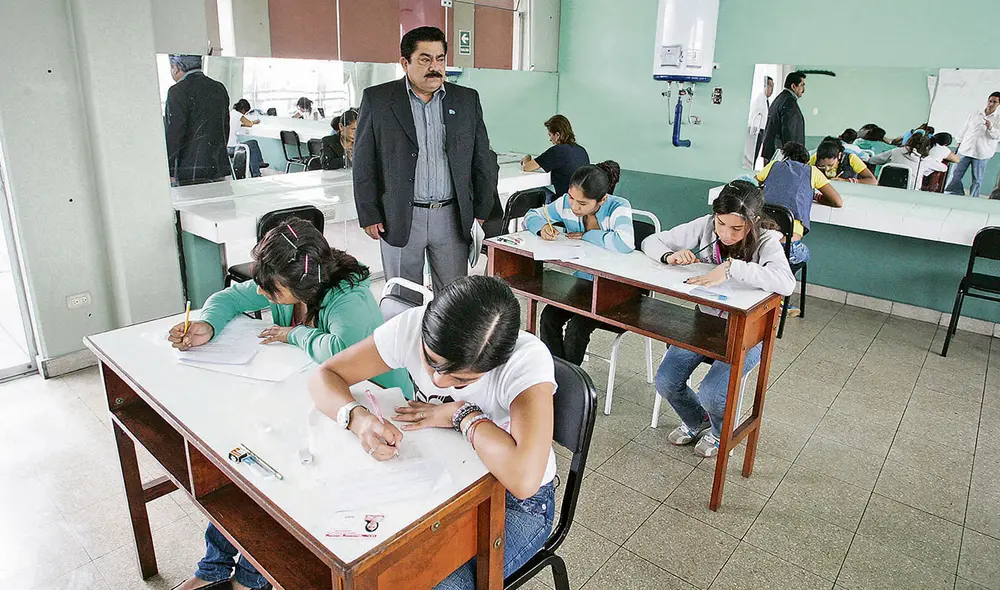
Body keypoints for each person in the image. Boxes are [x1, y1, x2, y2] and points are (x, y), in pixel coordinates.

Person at [172, 218, 411, 590]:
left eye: (273, 290)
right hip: (316, 396)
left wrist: (295, 333)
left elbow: (341, 353)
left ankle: (251, 580)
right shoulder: (288, 280)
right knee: (246, 464)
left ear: (301, 285)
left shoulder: (350, 298)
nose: (265, 295)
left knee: (273, 479)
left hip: (374, 406)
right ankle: (213, 570)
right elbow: (229, 298)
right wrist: (209, 324)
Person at [307, 275, 557, 590]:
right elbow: (325, 376)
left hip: (517, 504)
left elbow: (523, 479)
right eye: (431, 362)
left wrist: (460, 413)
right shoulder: (413, 327)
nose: (438, 382)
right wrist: (358, 419)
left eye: (460, 381)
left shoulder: (526, 361)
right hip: (443, 479)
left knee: (428, 582)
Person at [641, 181, 795, 457]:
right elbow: (650, 241)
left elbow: (786, 282)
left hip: (747, 331)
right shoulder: (704, 226)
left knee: (712, 392)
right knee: (666, 381)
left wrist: (732, 267)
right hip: (705, 322)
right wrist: (670, 255)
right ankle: (696, 420)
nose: (725, 234)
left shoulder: (768, 240)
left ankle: (718, 431)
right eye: (720, 224)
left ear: (754, 221)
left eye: (736, 228)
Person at [354, 26, 498, 300]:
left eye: (440, 58)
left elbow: (482, 158)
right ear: (405, 63)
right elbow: (363, 161)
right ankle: (407, 343)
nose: (435, 67)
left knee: (454, 298)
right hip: (398, 214)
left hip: (452, 216)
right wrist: (369, 213)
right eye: (425, 59)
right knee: (402, 297)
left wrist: (481, 208)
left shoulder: (466, 100)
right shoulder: (379, 99)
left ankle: (447, 344)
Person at [523, 164, 634, 365]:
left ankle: (572, 384)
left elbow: (625, 243)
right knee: (549, 318)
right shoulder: (566, 203)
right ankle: (555, 374)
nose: (574, 207)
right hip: (583, 282)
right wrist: (542, 228)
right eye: (572, 198)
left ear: (602, 200)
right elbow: (531, 215)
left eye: (582, 203)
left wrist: (588, 235)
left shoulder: (618, 206)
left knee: (577, 328)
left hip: (614, 288)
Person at [756, 141, 843, 267]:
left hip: (761, 243)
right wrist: (817, 197)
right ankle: (784, 275)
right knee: (805, 254)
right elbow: (837, 201)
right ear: (807, 161)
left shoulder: (773, 165)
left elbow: (755, 184)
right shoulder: (812, 171)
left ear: (784, 157)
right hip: (787, 249)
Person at [164, 55, 230, 186]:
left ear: (176, 68)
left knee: (193, 206)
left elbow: (174, 134)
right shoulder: (219, 88)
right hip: (218, 167)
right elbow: (225, 127)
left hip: (189, 171)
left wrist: (169, 170)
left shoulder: (177, 91)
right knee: (220, 205)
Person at [520, 115, 590, 199]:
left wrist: (527, 158)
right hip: (580, 201)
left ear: (557, 135)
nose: (550, 139)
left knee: (524, 191)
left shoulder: (557, 151)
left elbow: (527, 167)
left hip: (564, 202)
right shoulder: (582, 150)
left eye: (550, 135)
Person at [945, 92, 1000, 198]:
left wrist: (991, 128)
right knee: (954, 175)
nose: (991, 104)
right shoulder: (976, 114)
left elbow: (998, 136)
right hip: (965, 149)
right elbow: (965, 128)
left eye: (995, 102)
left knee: (977, 180)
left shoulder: (998, 119)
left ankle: (973, 198)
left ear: (999, 104)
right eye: (990, 101)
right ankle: (952, 194)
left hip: (982, 153)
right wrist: (959, 141)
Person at [868, 133, 949, 190]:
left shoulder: (895, 151)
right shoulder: (926, 160)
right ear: (927, 147)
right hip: (910, 191)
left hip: (885, 187)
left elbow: (872, 160)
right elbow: (944, 168)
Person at [760, 71, 807, 161]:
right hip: (780, 155)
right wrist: (793, 157)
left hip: (772, 153)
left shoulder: (779, 99)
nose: (804, 89)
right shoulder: (789, 103)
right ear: (793, 86)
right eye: (802, 85)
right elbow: (789, 131)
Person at [809, 137, 877, 185]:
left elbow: (873, 181)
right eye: (822, 166)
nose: (827, 169)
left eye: (830, 165)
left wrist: (846, 181)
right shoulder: (815, 158)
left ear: (839, 155)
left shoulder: (851, 158)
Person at [227, 99, 268, 178]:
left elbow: (235, 125)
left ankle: (258, 166)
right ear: (243, 109)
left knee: (251, 146)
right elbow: (249, 124)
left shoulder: (231, 113)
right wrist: (255, 122)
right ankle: (257, 171)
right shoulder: (238, 115)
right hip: (233, 147)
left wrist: (242, 125)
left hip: (227, 147)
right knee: (253, 143)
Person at [746, 75, 774, 167]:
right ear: (765, 86)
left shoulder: (765, 100)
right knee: (752, 156)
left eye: (773, 86)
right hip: (755, 131)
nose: (771, 89)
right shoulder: (759, 100)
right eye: (770, 86)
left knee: (755, 155)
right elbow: (753, 117)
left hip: (760, 131)